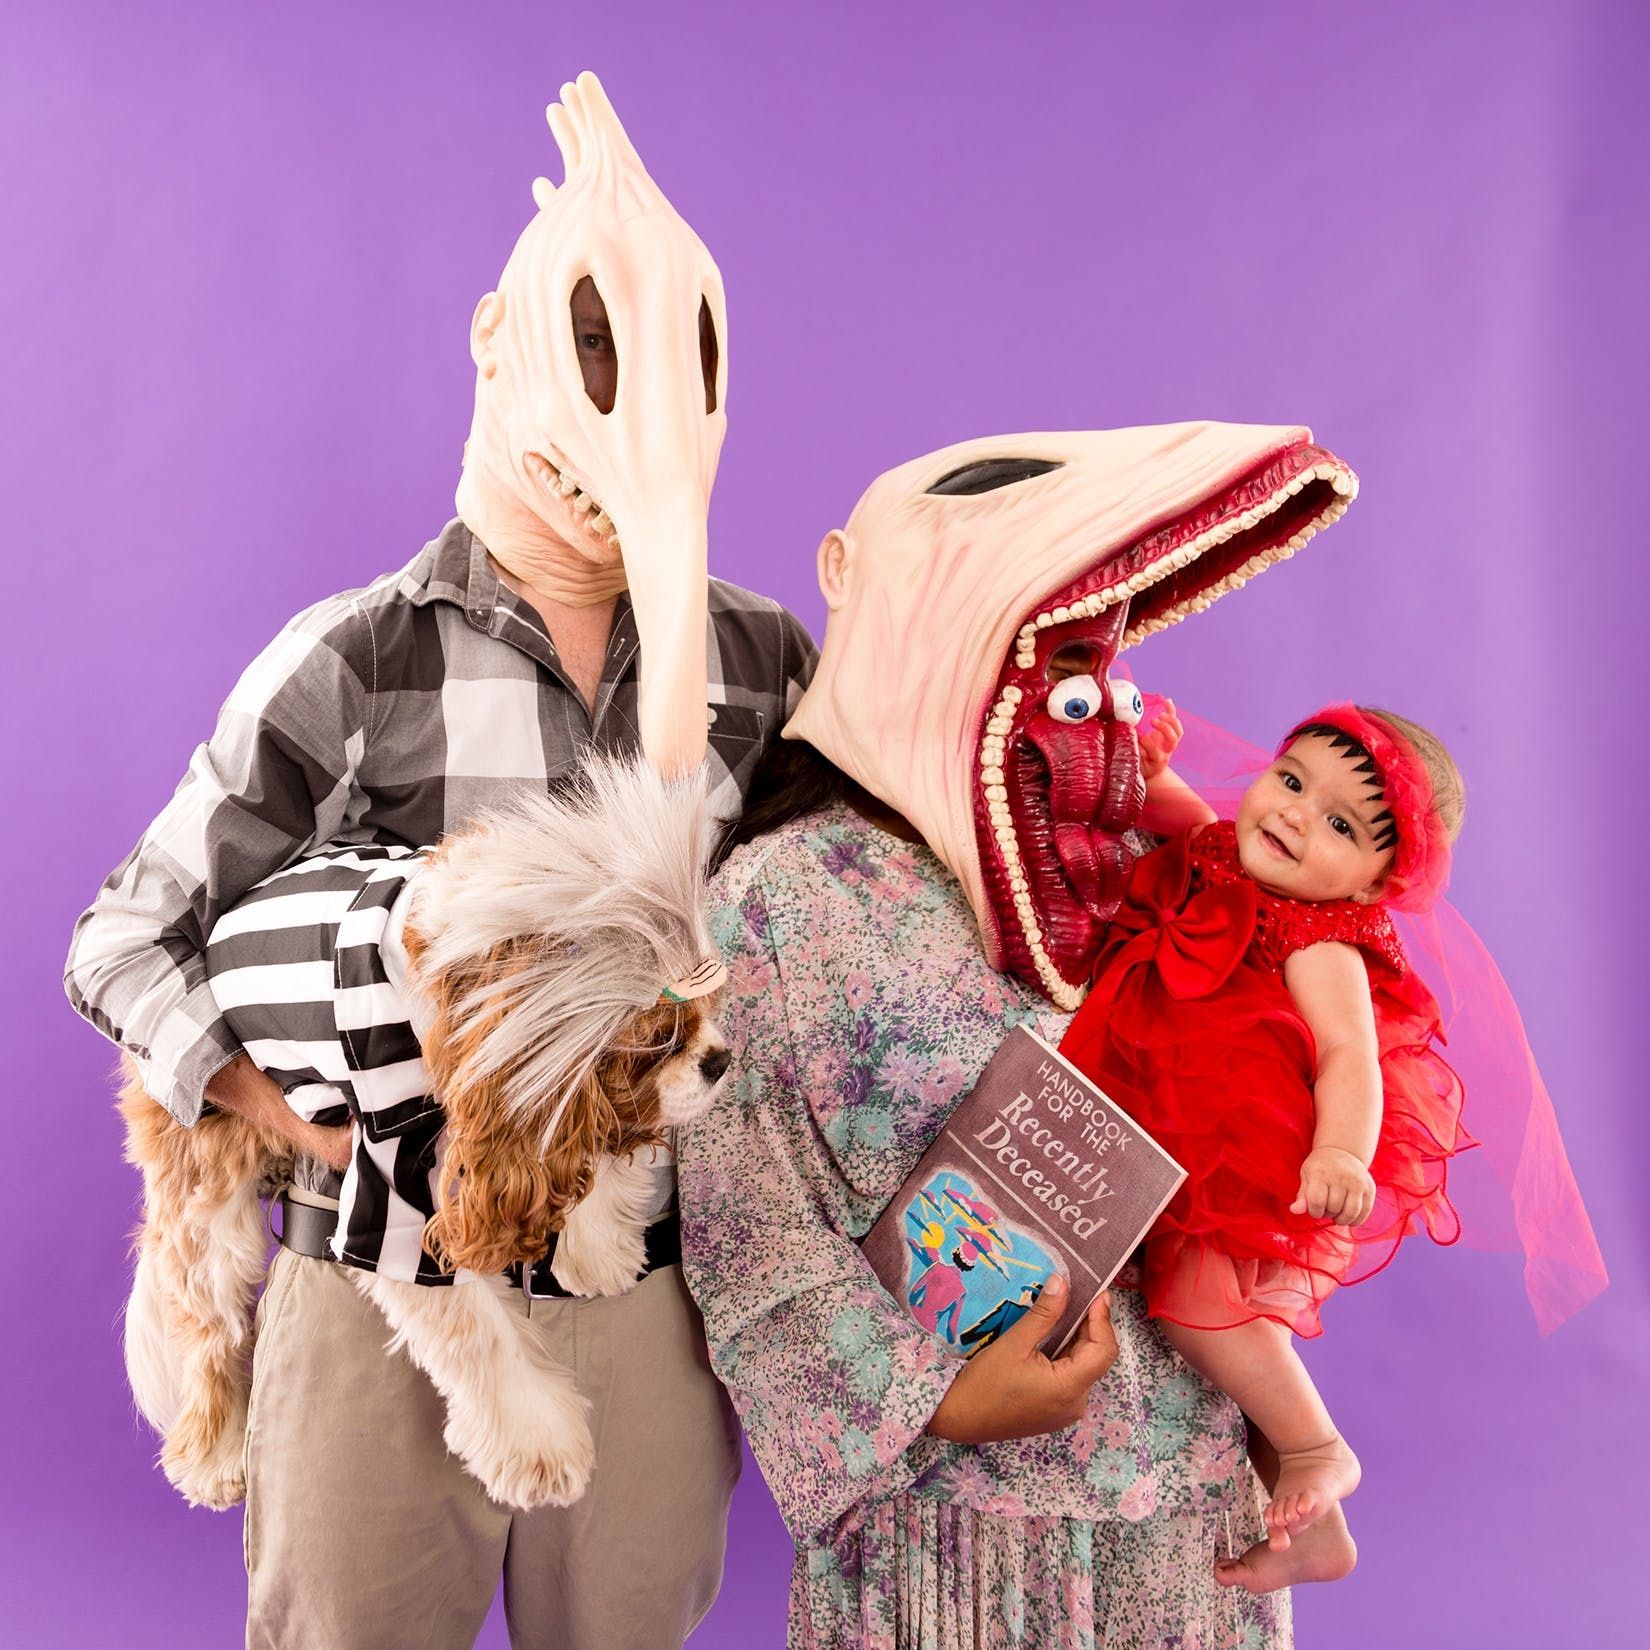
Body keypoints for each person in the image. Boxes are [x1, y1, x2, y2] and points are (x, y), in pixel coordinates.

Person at [65, 73, 814, 1650]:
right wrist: (287, 1114)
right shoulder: (356, 657)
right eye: (588, 345)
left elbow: (856, 916)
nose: (624, 398)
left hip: (644, 1282)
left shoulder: (761, 663)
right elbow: (122, 941)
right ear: (496, 340)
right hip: (378, 1288)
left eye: (671, 361)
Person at [677, 421, 1378, 1649]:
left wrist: (1275, 1374)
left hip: (1188, 1529)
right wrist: (941, 1400)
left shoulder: (1147, 870)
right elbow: (745, 1231)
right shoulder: (779, 898)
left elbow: (1249, 1110)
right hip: (949, 1543)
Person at [1060, 702, 1465, 1593]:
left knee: (1194, 1310)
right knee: (1228, 1343)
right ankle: (1319, 1531)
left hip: (1241, 1149)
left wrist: (1341, 1154)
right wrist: (1150, 770)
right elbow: (1181, 817)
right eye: (1290, 781)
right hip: (1179, 1123)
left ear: (1375, 884)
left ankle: (1317, 1447)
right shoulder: (1224, 851)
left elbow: (1351, 1054)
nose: (1292, 815)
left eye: (1340, 825)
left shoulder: (1324, 938)